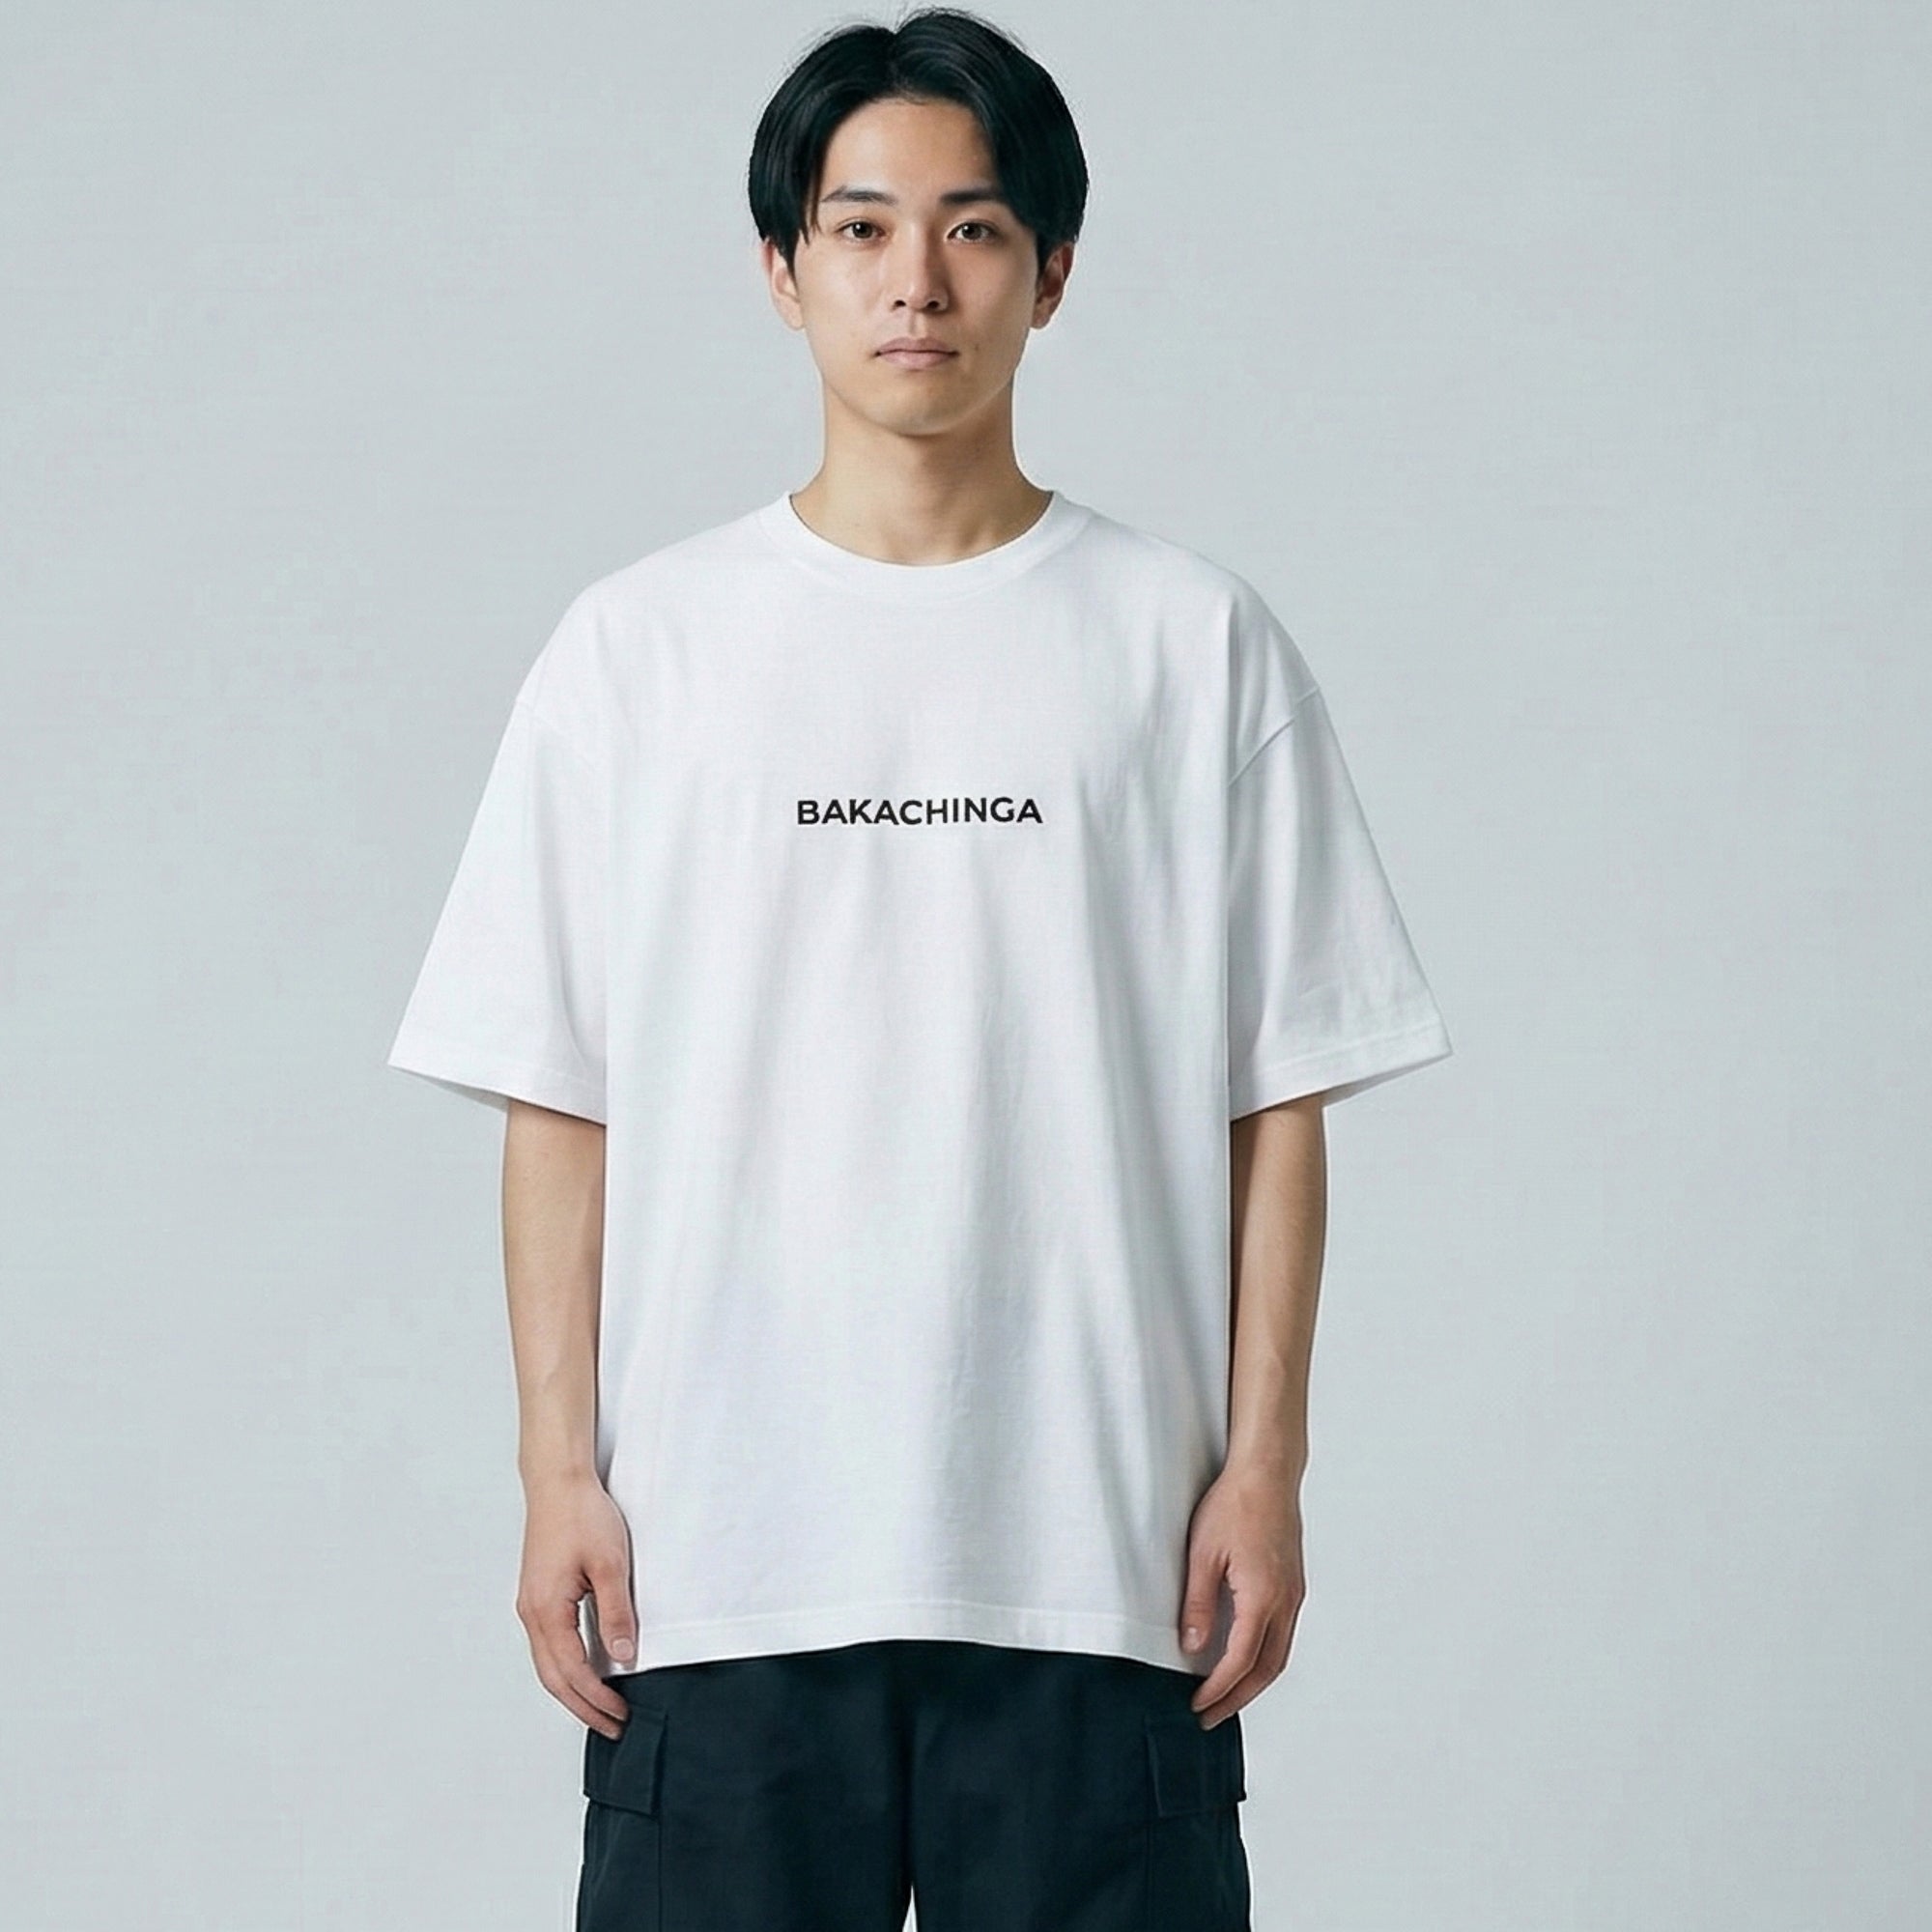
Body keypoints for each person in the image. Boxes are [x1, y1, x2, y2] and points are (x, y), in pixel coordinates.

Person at [386, 9, 1452, 1927]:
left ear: (1053, 270)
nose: (917, 282)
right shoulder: (638, 654)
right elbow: (559, 1093)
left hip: (1101, 1567)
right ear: (780, 269)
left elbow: (1276, 1097)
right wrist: (557, 1473)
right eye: (861, 228)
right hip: (718, 1565)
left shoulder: (1188, 644)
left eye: (973, 228)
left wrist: (1265, 1470)